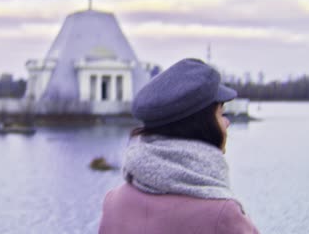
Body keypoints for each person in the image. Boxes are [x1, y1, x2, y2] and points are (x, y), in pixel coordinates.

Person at [99, 58, 259, 234]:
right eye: (221, 114)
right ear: (201, 125)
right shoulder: (223, 215)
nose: (227, 123)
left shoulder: (114, 203)